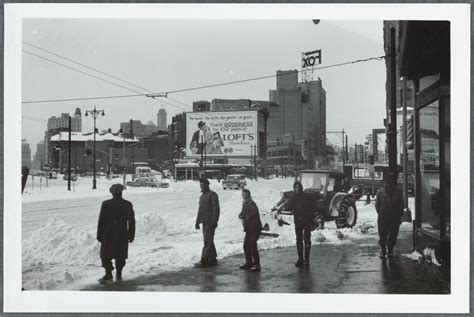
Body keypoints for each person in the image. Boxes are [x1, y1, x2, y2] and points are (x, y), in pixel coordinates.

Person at [96, 184, 135, 283]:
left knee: (105, 254)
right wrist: (131, 235)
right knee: (120, 254)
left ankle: (108, 274)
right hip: (122, 233)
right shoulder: (127, 204)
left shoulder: (106, 204)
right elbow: (131, 221)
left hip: (108, 233)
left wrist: (99, 235)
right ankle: (119, 275)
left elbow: (101, 221)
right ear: (121, 192)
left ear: (112, 193)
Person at [375, 172, 404, 259]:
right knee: (382, 234)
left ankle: (390, 249)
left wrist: (398, 214)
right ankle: (383, 250)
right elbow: (377, 205)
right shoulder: (380, 192)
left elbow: (401, 204)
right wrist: (381, 213)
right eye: (389, 181)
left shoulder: (398, 192)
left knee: (393, 234)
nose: (390, 183)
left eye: (392, 181)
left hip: (395, 217)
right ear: (386, 182)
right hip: (383, 217)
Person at [287, 182, 316, 267]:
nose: (297, 189)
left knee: (307, 240)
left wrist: (309, 216)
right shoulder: (294, 197)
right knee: (299, 240)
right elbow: (289, 207)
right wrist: (291, 198)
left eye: (298, 187)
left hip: (306, 221)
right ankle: (300, 259)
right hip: (298, 222)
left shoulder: (307, 197)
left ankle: (306, 259)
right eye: (295, 188)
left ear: (301, 188)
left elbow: (313, 207)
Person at [194, 178, 220, 268]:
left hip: (210, 221)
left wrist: (214, 220)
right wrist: (197, 222)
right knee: (208, 240)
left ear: (207, 185)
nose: (201, 186)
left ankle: (204, 260)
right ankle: (213, 259)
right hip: (204, 221)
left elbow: (216, 208)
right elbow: (200, 210)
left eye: (203, 185)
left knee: (207, 240)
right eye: (200, 185)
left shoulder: (212, 195)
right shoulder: (202, 197)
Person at [238, 189, 263, 272]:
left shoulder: (251, 203)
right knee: (246, 245)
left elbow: (254, 212)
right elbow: (243, 212)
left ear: (248, 195)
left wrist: (249, 216)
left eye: (245, 194)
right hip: (249, 228)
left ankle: (256, 264)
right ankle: (249, 263)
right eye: (243, 194)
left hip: (255, 228)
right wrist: (241, 214)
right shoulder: (245, 203)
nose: (244, 196)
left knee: (252, 245)